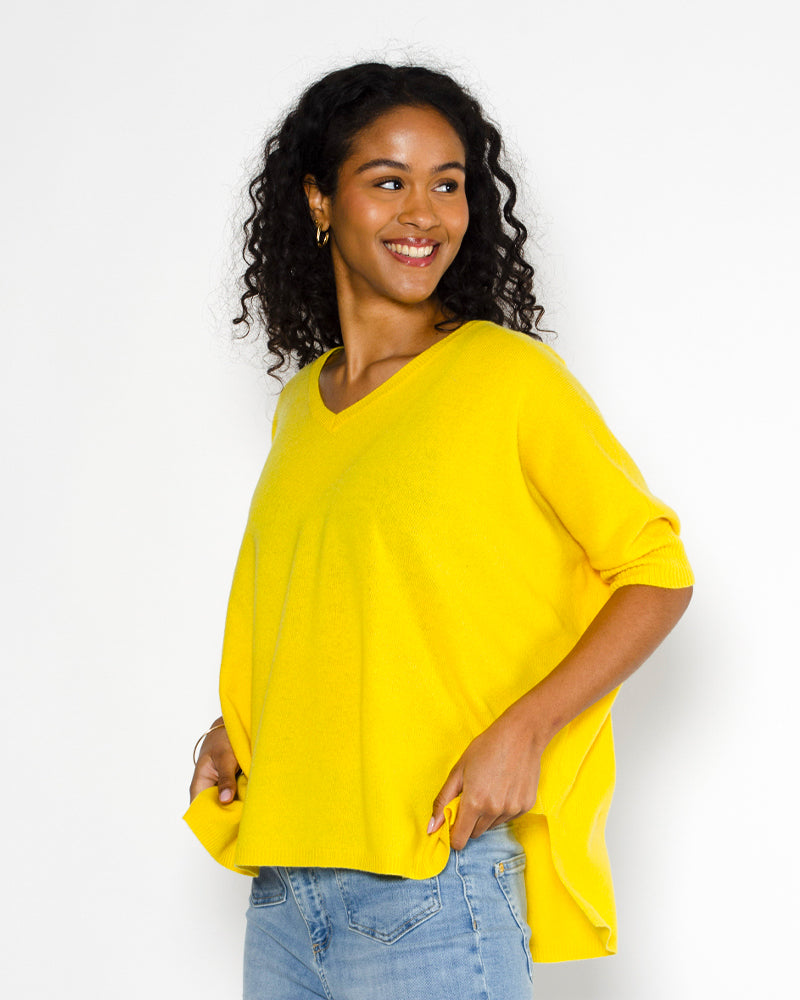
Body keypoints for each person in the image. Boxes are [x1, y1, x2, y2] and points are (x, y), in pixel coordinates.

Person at [185, 62, 693, 1000]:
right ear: (319, 200)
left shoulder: (507, 378)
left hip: (431, 885)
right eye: (388, 181)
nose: (423, 213)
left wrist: (524, 732)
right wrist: (243, 726)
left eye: (447, 184)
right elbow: (349, 607)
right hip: (285, 887)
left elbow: (657, 571)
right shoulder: (302, 405)